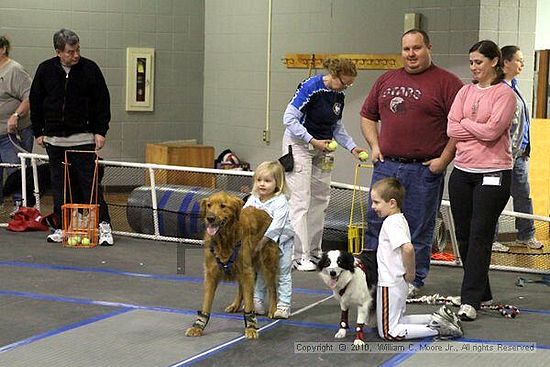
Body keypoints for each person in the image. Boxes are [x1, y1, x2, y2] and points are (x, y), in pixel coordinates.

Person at [360, 29, 463, 296]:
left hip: (424, 170)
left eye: (417, 48)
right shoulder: (386, 79)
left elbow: (460, 127)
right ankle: (371, 276)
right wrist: (375, 146)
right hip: (387, 167)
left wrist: (443, 160)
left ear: (429, 47)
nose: (411, 54)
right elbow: (367, 115)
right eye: (406, 49)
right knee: (375, 221)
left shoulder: (448, 83)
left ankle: (412, 281)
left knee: (418, 226)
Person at [447, 40, 517, 321]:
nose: (474, 67)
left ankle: (469, 300)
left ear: (494, 62)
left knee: (480, 235)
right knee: (463, 235)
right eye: (471, 62)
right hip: (463, 172)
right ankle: (482, 291)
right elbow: (451, 126)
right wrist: (469, 126)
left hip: (494, 172)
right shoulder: (464, 91)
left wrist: (466, 124)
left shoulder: (505, 95)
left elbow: (492, 133)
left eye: (478, 62)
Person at [29, 28, 114, 246]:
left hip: (84, 139)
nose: (75, 55)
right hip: (55, 141)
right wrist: (39, 131)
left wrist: (100, 131)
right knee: (60, 186)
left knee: (90, 183)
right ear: (59, 52)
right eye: (70, 52)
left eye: (77, 50)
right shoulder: (45, 70)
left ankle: (103, 226)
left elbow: (102, 101)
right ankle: (61, 226)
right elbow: (36, 101)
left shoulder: (90, 69)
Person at [282, 57, 367, 272]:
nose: (346, 87)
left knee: (321, 200)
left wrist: (352, 147)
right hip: (300, 145)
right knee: (300, 200)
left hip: (324, 149)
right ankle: (298, 255)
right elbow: (289, 119)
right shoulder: (311, 87)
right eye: (344, 83)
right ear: (333, 75)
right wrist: (311, 140)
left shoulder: (339, 95)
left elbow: (337, 126)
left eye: (350, 84)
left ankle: (314, 251)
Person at [372, 177, 463, 340]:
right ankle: (435, 318)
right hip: (396, 283)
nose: (373, 207)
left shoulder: (391, 223)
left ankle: (439, 328)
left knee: (388, 332)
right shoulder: (400, 219)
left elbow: (407, 248)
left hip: (390, 282)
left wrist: (411, 273)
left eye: (377, 202)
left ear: (392, 203)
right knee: (397, 320)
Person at [491, 45, 543, 252]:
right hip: (500, 157)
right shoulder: (498, 89)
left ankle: (526, 235)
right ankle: (491, 238)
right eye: (519, 60)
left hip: (519, 156)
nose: (522, 64)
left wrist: (525, 148)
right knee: (494, 196)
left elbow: (521, 123)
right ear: (506, 63)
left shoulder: (515, 86)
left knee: (523, 195)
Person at [243, 161, 294, 319]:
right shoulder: (253, 198)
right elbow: (244, 215)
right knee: (261, 271)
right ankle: (257, 300)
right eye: (259, 180)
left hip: (281, 243)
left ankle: (284, 305)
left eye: (267, 181)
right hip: (259, 243)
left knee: (283, 273)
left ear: (277, 183)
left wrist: (262, 242)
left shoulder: (280, 202)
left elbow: (276, 226)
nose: (262, 184)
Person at [0, 35, 33, 211]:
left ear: (3, 48)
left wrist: (15, 115)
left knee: (16, 170)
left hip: (13, 133)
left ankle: (21, 207)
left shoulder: (15, 70)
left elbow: (30, 97)